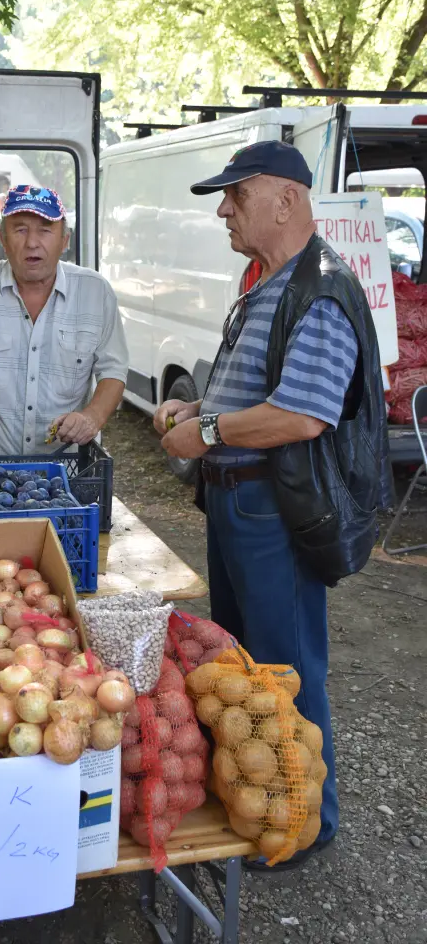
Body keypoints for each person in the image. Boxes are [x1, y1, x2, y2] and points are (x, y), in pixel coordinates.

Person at [154, 141, 391, 869]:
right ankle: (255, 806)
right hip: (241, 502)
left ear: (286, 199)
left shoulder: (319, 288)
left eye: (236, 195)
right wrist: (199, 408)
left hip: (275, 511)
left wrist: (208, 432)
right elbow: (259, 391)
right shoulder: (270, 282)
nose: (223, 211)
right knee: (240, 665)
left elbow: (302, 414)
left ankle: (308, 826)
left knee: (283, 669)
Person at [0, 185, 128, 461]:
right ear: (3, 239)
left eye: (45, 230)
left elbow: (113, 368)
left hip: (69, 462)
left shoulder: (95, 292)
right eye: (20, 229)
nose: (32, 242)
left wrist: (92, 417)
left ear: (64, 240)